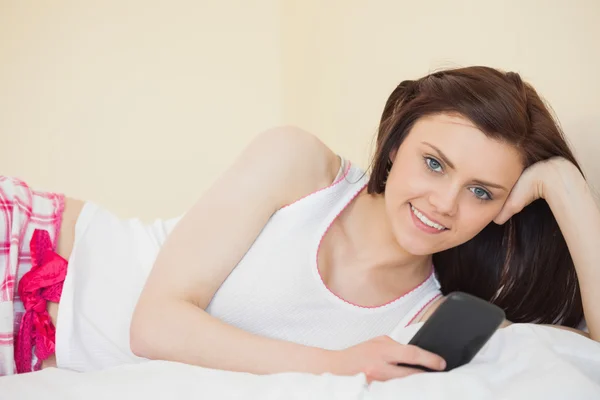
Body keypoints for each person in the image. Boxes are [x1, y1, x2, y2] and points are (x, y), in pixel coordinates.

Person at [1, 66, 598, 381]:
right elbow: (154, 325)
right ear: (395, 144)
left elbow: (589, 356)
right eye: (434, 163)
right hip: (35, 249)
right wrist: (336, 364)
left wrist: (565, 188)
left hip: (37, 357)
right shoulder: (302, 166)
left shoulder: (425, 318)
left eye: (480, 192)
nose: (444, 202)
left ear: (503, 208)